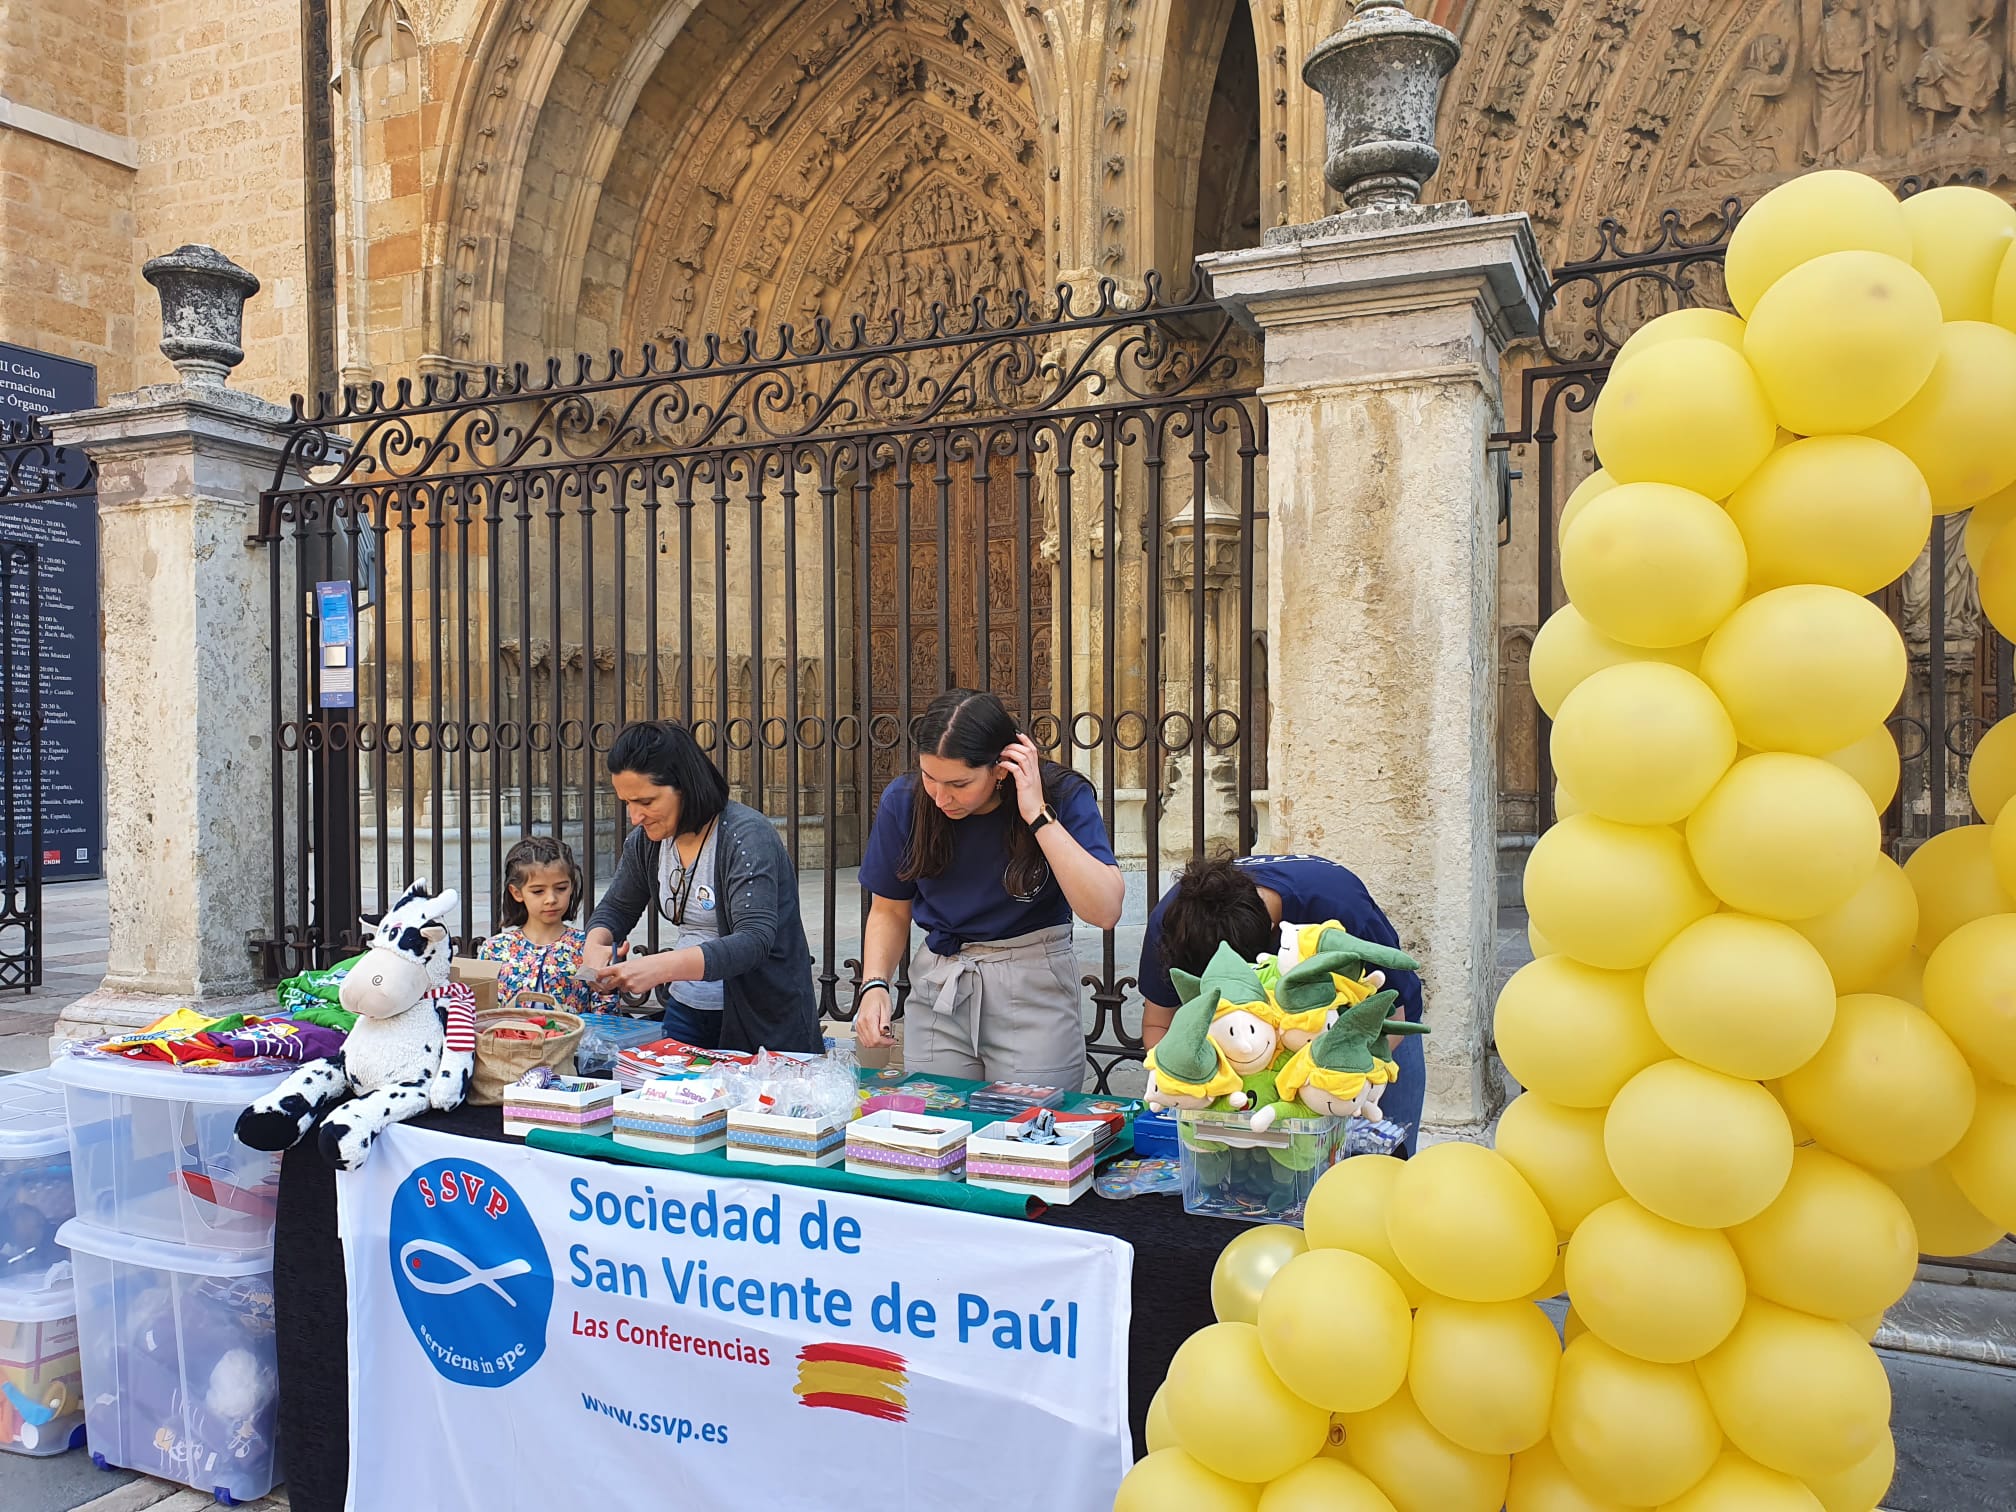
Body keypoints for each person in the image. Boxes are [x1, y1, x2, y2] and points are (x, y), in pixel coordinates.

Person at [852, 689, 1124, 1090]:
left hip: (1032, 985)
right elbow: (890, 909)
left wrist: (1036, 812)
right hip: (941, 984)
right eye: (930, 777)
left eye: (959, 783)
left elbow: (1104, 910)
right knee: (935, 1129)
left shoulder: (1062, 795)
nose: (942, 797)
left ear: (1001, 768)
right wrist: (875, 983)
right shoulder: (905, 801)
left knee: (1029, 1135)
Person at [1137, 854, 1428, 1148]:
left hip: (1364, 1035)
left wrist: (1335, 1084)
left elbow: (1396, 1014)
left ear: (1273, 935)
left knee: (1385, 1159)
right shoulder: (1175, 922)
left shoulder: (1339, 906)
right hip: (1246, 1070)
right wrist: (1188, 1077)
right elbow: (1157, 1023)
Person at [580, 720, 822, 1053]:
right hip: (687, 1011)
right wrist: (596, 943)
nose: (635, 816)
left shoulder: (746, 835)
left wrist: (660, 968)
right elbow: (616, 908)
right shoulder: (646, 843)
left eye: (647, 802)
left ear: (685, 786)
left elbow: (754, 939)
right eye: (627, 802)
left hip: (765, 1018)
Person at [477, 835, 617, 1016]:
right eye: (538, 891)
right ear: (517, 892)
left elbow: (607, 1016)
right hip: (509, 1043)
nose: (551, 899)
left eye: (561, 888)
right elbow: (480, 1014)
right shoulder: (493, 949)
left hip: (573, 1043)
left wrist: (608, 990)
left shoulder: (586, 947)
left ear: (572, 886)